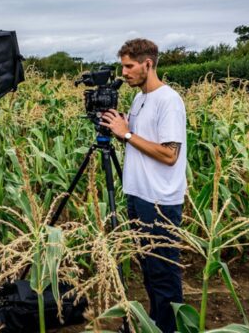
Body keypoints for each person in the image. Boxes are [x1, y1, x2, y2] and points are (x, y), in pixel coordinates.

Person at [99, 39, 187, 333]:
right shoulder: (139, 99)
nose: (123, 72)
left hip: (159, 201)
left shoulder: (168, 100)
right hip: (138, 195)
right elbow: (140, 138)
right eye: (122, 65)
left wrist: (126, 135)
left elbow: (170, 154)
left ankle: (170, 327)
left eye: (129, 66)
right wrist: (122, 126)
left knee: (163, 270)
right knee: (149, 269)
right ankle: (155, 322)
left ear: (148, 64)